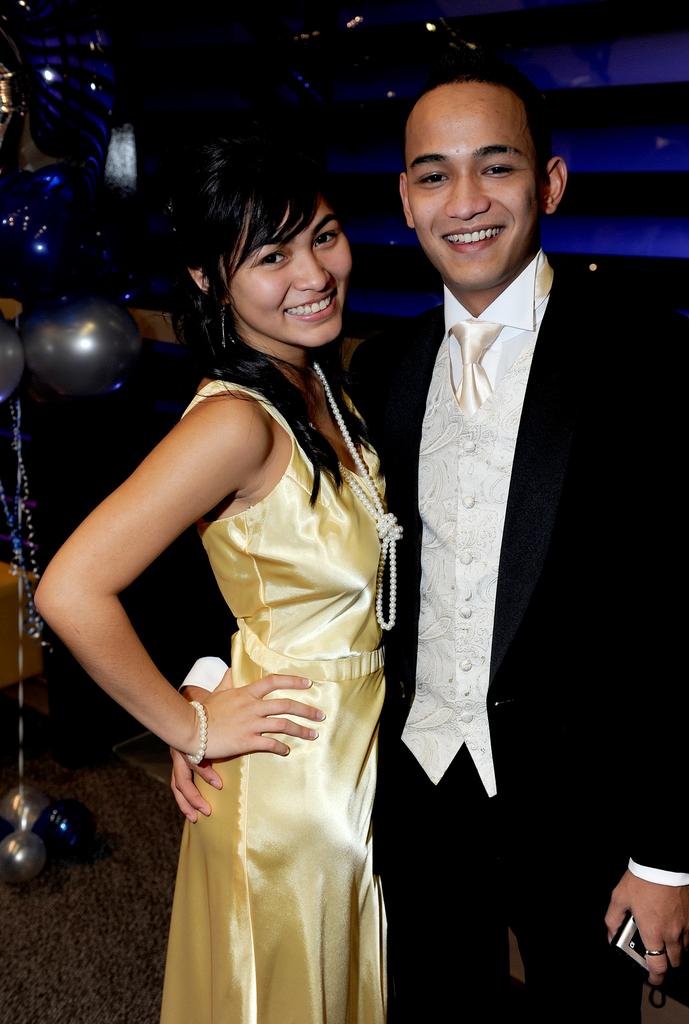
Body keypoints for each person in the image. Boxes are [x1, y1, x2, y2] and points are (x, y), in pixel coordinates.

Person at [173, 51, 689, 1023]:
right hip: (404, 790)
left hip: (585, 813)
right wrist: (206, 682)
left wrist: (670, 854)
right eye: (434, 173)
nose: (464, 199)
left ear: (550, 181)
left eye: (498, 165)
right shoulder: (375, 367)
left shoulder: (663, 362)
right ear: (404, 196)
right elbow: (272, 535)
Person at [35, 133, 394, 1024]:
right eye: (271, 255)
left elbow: (261, 572)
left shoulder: (316, 379)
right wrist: (187, 724)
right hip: (294, 786)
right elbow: (69, 588)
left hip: (352, 763)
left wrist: (206, 673)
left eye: (324, 235)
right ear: (206, 278)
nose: (314, 271)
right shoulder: (233, 421)